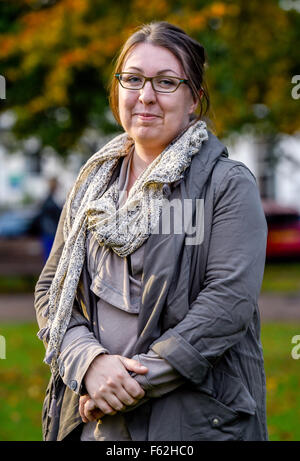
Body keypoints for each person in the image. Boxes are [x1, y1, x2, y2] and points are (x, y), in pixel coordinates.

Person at [34, 21, 268, 441]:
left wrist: (126, 387)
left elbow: (226, 305)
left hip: (194, 424)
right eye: (134, 79)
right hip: (94, 423)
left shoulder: (228, 184)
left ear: (194, 98)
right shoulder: (93, 183)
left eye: (165, 82)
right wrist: (88, 363)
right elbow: (52, 290)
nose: (145, 96)